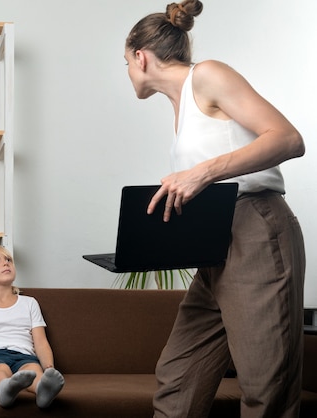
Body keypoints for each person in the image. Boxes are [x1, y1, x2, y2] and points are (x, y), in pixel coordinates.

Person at [124, 1, 306, 417]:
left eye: (126, 63)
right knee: (177, 375)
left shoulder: (206, 75)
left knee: (265, 386)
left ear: (140, 56)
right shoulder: (181, 108)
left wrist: (202, 173)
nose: (128, 73)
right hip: (215, 248)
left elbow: (288, 139)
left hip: (256, 231)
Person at [0, 245, 65, 408]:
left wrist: (49, 367)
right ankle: (4, 389)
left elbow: (41, 342)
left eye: (8, 260)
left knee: (34, 370)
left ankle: (44, 391)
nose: (6, 263)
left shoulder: (30, 303)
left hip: (25, 356)